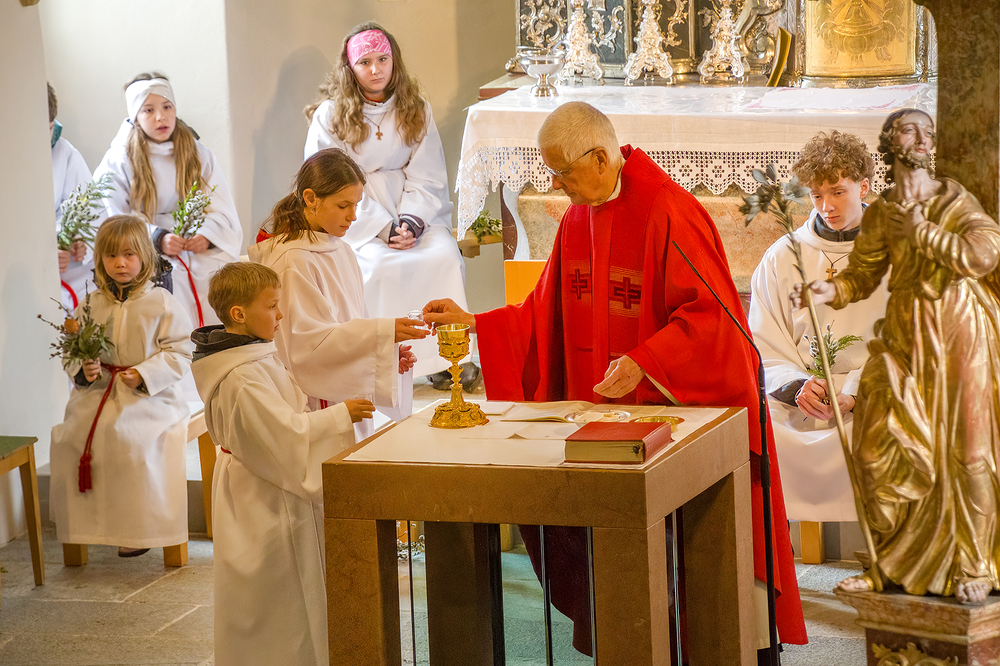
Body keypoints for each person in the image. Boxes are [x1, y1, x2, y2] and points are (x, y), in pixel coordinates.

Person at [424, 102, 807, 654]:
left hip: (671, 421)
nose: (556, 185)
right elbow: (544, 313)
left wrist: (646, 360)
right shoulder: (576, 218)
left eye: (563, 172)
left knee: (694, 578)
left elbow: (715, 320)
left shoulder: (668, 211)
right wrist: (475, 323)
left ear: (600, 158)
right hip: (599, 426)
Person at [794, 109, 1000, 604]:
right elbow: (864, 273)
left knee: (967, 450)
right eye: (901, 144)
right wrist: (829, 290)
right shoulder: (885, 210)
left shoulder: (953, 200)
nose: (911, 152)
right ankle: (892, 562)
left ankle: (975, 563)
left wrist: (925, 233)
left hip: (959, 331)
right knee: (875, 447)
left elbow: (985, 254)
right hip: (906, 332)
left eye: (919, 143)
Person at [191, 262, 373, 666]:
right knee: (272, 602)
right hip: (262, 494)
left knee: (284, 596)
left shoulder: (251, 356)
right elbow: (282, 438)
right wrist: (341, 416)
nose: (281, 314)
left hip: (265, 482)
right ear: (238, 314)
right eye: (272, 305)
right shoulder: (240, 376)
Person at [304, 21, 479, 391]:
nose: (375, 70)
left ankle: (448, 359)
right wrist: (382, 228)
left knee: (443, 258)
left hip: (414, 214)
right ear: (349, 68)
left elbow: (429, 173)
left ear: (394, 61)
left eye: (382, 59)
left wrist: (412, 222)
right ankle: (383, 361)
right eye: (364, 62)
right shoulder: (330, 115)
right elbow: (329, 181)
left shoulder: (415, 108)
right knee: (378, 268)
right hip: (357, 218)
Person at [749, 130, 889, 522]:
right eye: (816, 195)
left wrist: (855, 392)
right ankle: (784, 551)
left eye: (838, 192)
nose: (826, 206)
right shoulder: (783, 257)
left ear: (864, 186)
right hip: (803, 400)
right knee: (756, 432)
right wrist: (797, 387)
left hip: (873, 394)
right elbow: (762, 343)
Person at [249, 148, 426, 437]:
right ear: (310, 199)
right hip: (315, 408)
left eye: (356, 205)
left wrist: (384, 353)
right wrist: (382, 333)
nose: (353, 216)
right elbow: (305, 350)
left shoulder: (340, 249)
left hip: (345, 396)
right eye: (343, 205)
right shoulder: (292, 260)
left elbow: (350, 323)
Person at [49, 215, 193, 560]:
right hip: (98, 392)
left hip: (150, 398)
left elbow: (180, 351)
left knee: (131, 440)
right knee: (70, 438)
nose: (120, 263)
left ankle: (138, 530)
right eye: (111, 255)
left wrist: (144, 374)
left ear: (145, 256)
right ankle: (87, 527)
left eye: (129, 255)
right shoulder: (91, 304)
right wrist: (84, 369)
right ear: (100, 259)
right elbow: (73, 348)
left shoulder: (161, 302)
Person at [94, 72, 242, 329]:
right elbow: (113, 216)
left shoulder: (197, 152)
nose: (160, 117)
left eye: (167, 107)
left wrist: (207, 235)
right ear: (135, 117)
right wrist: (157, 238)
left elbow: (220, 204)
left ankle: (220, 341)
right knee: (173, 278)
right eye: (148, 110)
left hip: (193, 243)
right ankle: (180, 347)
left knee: (219, 273)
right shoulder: (119, 159)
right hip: (145, 246)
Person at [49, 82, 97, 311]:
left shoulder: (64, 152)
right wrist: (47, 248)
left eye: (50, 128)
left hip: (68, 262)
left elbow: (87, 208)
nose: (46, 137)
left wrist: (77, 241)